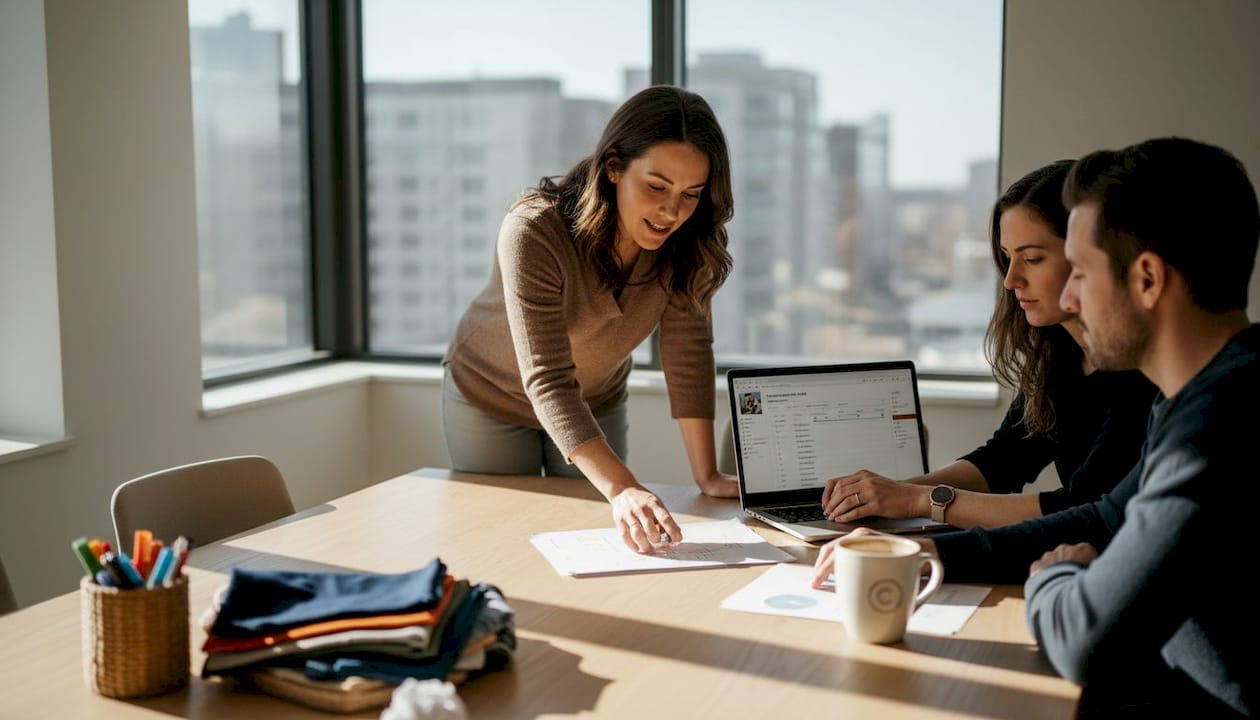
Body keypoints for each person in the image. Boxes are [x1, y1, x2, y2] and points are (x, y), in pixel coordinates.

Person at [814, 137, 1260, 717]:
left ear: (1147, 280)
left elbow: (1084, 641)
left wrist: (1057, 574)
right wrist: (929, 552)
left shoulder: (1218, 424)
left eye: (1081, 272)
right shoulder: (1205, 395)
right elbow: (1105, 516)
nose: (1071, 296)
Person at [441, 85, 737, 554]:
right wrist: (622, 488)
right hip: (491, 392)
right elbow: (548, 378)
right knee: (501, 541)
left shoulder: (687, 245)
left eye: (691, 194)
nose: (671, 211)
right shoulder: (534, 230)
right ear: (614, 167)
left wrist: (706, 475)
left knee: (596, 540)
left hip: (594, 398)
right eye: (656, 187)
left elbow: (689, 354)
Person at [819, 161, 1156, 530]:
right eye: (1007, 258)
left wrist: (917, 501)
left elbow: (1082, 507)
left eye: (1032, 259)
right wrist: (877, 495)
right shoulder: (1060, 355)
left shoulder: (1139, 374)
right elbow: (1002, 460)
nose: (1011, 280)